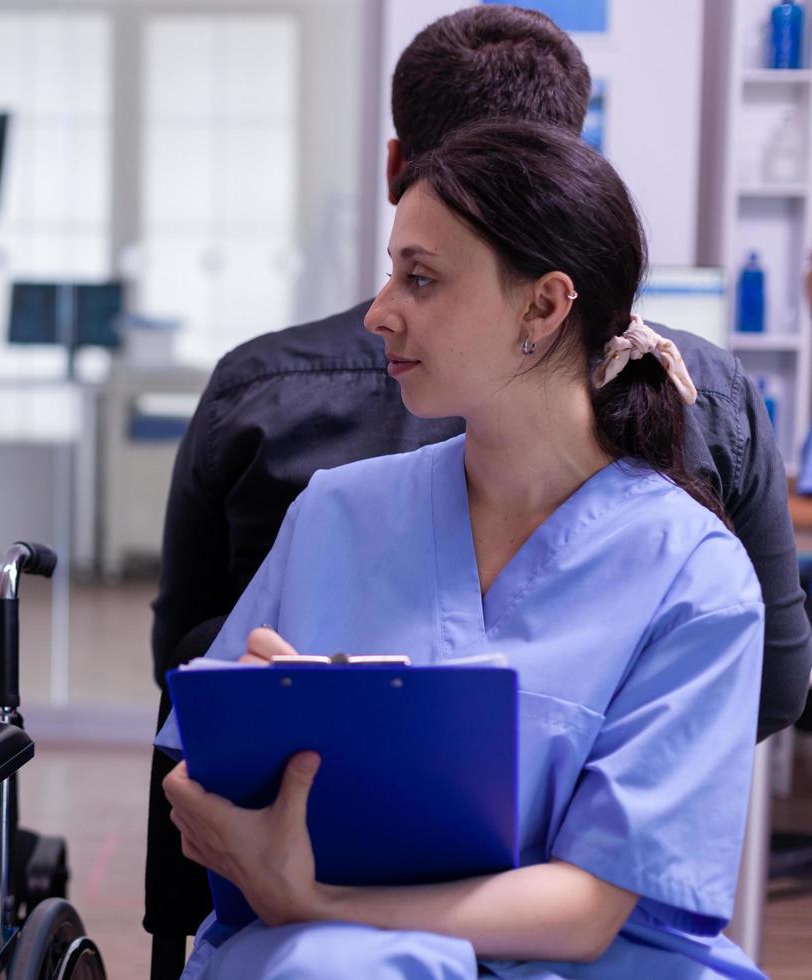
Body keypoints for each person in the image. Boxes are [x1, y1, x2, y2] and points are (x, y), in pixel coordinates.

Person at [146, 4, 812, 955]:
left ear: (544, 304)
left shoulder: (692, 575)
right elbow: (190, 744)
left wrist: (318, 903)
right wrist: (230, 764)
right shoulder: (338, 513)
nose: (377, 314)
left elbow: (588, 912)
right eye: (390, 274)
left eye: (420, 279)